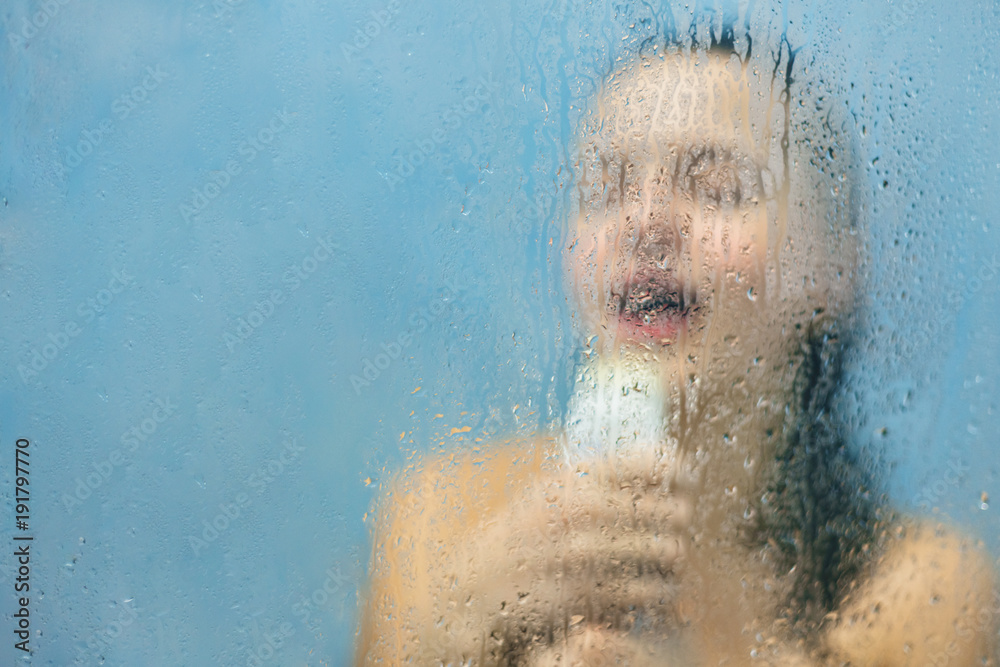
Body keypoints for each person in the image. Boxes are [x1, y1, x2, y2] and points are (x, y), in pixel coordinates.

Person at [355, 36, 999, 666]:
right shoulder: (439, 522)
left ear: (834, 267)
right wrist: (452, 631)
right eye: (602, 190)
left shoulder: (926, 596)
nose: (644, 222)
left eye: (718, 188)